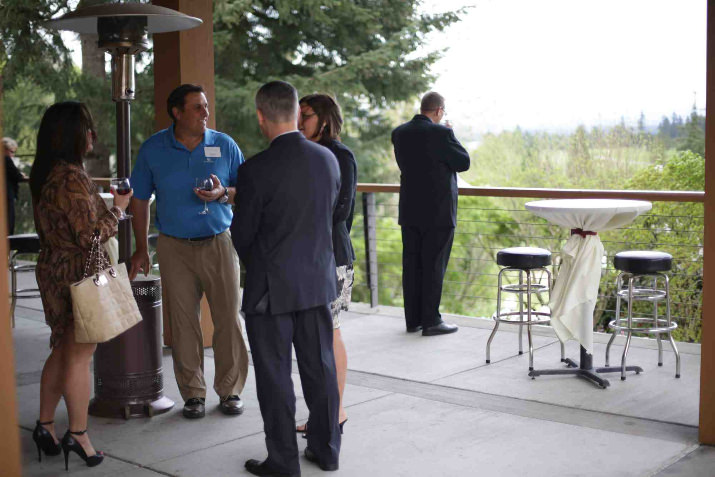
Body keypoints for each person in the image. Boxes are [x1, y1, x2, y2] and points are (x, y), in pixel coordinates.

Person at [232, 81, 341, 477]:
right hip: (316, 282)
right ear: (297, 114)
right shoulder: (328, 160)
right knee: (321, 369)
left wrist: (260, 261)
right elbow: (329, 216)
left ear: (261, 116)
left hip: (269, 291)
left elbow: (242, 236)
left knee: (275, 377)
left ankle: (283, 462)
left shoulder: (254, 170)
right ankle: (327, 451)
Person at [128, 84, 249, 419]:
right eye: (197, 107)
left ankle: (230, 391)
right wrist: (141, 246)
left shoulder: (224, 144)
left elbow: (247, 190)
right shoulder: (154, 148)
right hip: (173, 247)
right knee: (183, 324)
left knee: (228, 320)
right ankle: (193, 394)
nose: (205, 113)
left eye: (206, 106)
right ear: (177, 113)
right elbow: (139, 199)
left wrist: (224, 193)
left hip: (219, 242)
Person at [29, 101, 132, 470]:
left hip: (54, 269)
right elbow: (90, 236)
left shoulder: (46, 173)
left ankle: (44, 426)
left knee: (61, 349)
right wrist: (117, 210)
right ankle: (78, 433)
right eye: (87, 128)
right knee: (78, 357)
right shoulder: (70, 177)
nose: (93, 135)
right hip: (78, 275)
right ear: (73, 134)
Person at [296, 93, 356, 435]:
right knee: (318, 336)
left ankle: (335, 413)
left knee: (328, 333)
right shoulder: (306, 153)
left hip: (331, 257)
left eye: (305, 115)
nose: (299, 121)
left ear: (325, 119)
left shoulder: (340, 155)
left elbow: (342, 211)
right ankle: (328, 412)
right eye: (297, 114)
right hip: (309, 256)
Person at [392, 91, 470, 336]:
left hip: (410, 210)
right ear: (438, 111)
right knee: (434, 265)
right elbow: (463, 162)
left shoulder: (399, 133)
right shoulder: (442, 133)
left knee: (412, 265)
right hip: (438, 213)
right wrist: (450, 133)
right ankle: (432, 321)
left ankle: (413, 320)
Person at [3, 137, 28, 235]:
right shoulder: (5, 158)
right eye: (12, 152)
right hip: (7, 195)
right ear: (5, 149)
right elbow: (16, 174)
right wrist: (22, 175)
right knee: (9, 222)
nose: (13, 155)